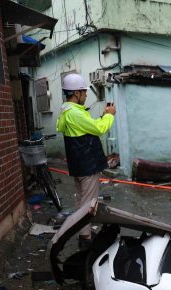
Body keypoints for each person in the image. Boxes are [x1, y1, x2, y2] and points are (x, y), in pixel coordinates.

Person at [56, 73, 116, 248]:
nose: (86, 94)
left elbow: (87, 130)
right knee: (89, 202)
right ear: (76, 93)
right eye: (83, 91)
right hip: (88, 164)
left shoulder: (67, 112)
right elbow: (99, 129)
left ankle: (83, 231)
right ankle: (85, 237)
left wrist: (104, 115)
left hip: (79, 164)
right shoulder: (75, 113)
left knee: (81, 199)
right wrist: (109, 115)